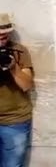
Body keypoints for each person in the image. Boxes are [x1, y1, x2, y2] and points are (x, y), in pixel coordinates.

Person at [0, 14, 34, 167]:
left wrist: (13, 68)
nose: (2, 39)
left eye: (5, 35)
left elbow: (27, 85)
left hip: (14, 120)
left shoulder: (18, 51)